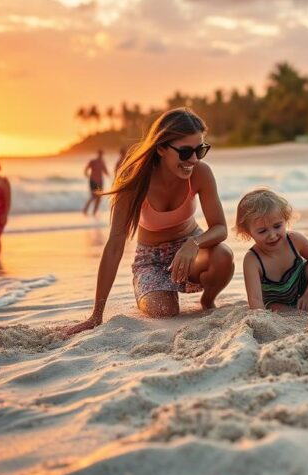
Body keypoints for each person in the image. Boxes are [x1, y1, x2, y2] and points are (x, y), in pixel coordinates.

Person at [65, 108, 234, 335]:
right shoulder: (134, 181)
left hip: (190, 248)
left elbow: (220, 228)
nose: (193, 160)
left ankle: (207, 301)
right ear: (162, 148)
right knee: (164, 311)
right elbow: (115, 244)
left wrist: (193, 243)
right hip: (150, 259)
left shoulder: (200, 173)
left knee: (223, 256)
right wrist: (96, 315)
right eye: (185, 152)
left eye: (200, 150)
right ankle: (158, 291)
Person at [234, 188, 308, 312]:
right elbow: (255, 300)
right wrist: (260, 317)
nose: (272, 235)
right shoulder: (252, 259)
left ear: (285, 219)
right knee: (272, 308)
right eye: (262, 231)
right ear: (248, 232)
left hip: (302, 290)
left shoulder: (294, 240)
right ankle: (296, 311)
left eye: (277, 226)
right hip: (276, 301)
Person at [82, 150, 109, 216]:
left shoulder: (102, 162)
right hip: (93, 181)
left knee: (99, 197)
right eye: (100, 154)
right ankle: (85, 210)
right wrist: (86, 174)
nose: (101, 155)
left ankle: (94, 212)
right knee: (93, 196)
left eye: (102, 154)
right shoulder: (93, 161)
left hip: (100, 182)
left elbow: (106, 172)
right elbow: (86, 168)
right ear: (98, 154)